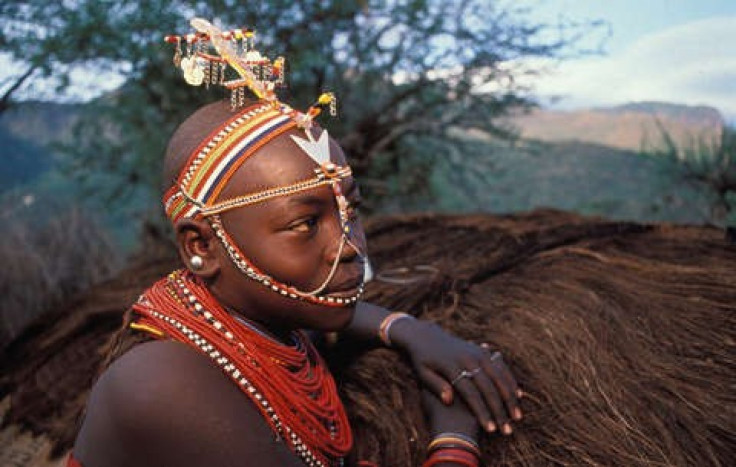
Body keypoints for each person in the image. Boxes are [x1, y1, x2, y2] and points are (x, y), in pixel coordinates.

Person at [70, 18, 522, 467]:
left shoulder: (259, 320)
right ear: (201, 246)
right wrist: (454, 433)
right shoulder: (164, 386)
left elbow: (327, 317)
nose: (349, 247)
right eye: (305, 223)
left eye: (351, 212)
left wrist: (411, 331)